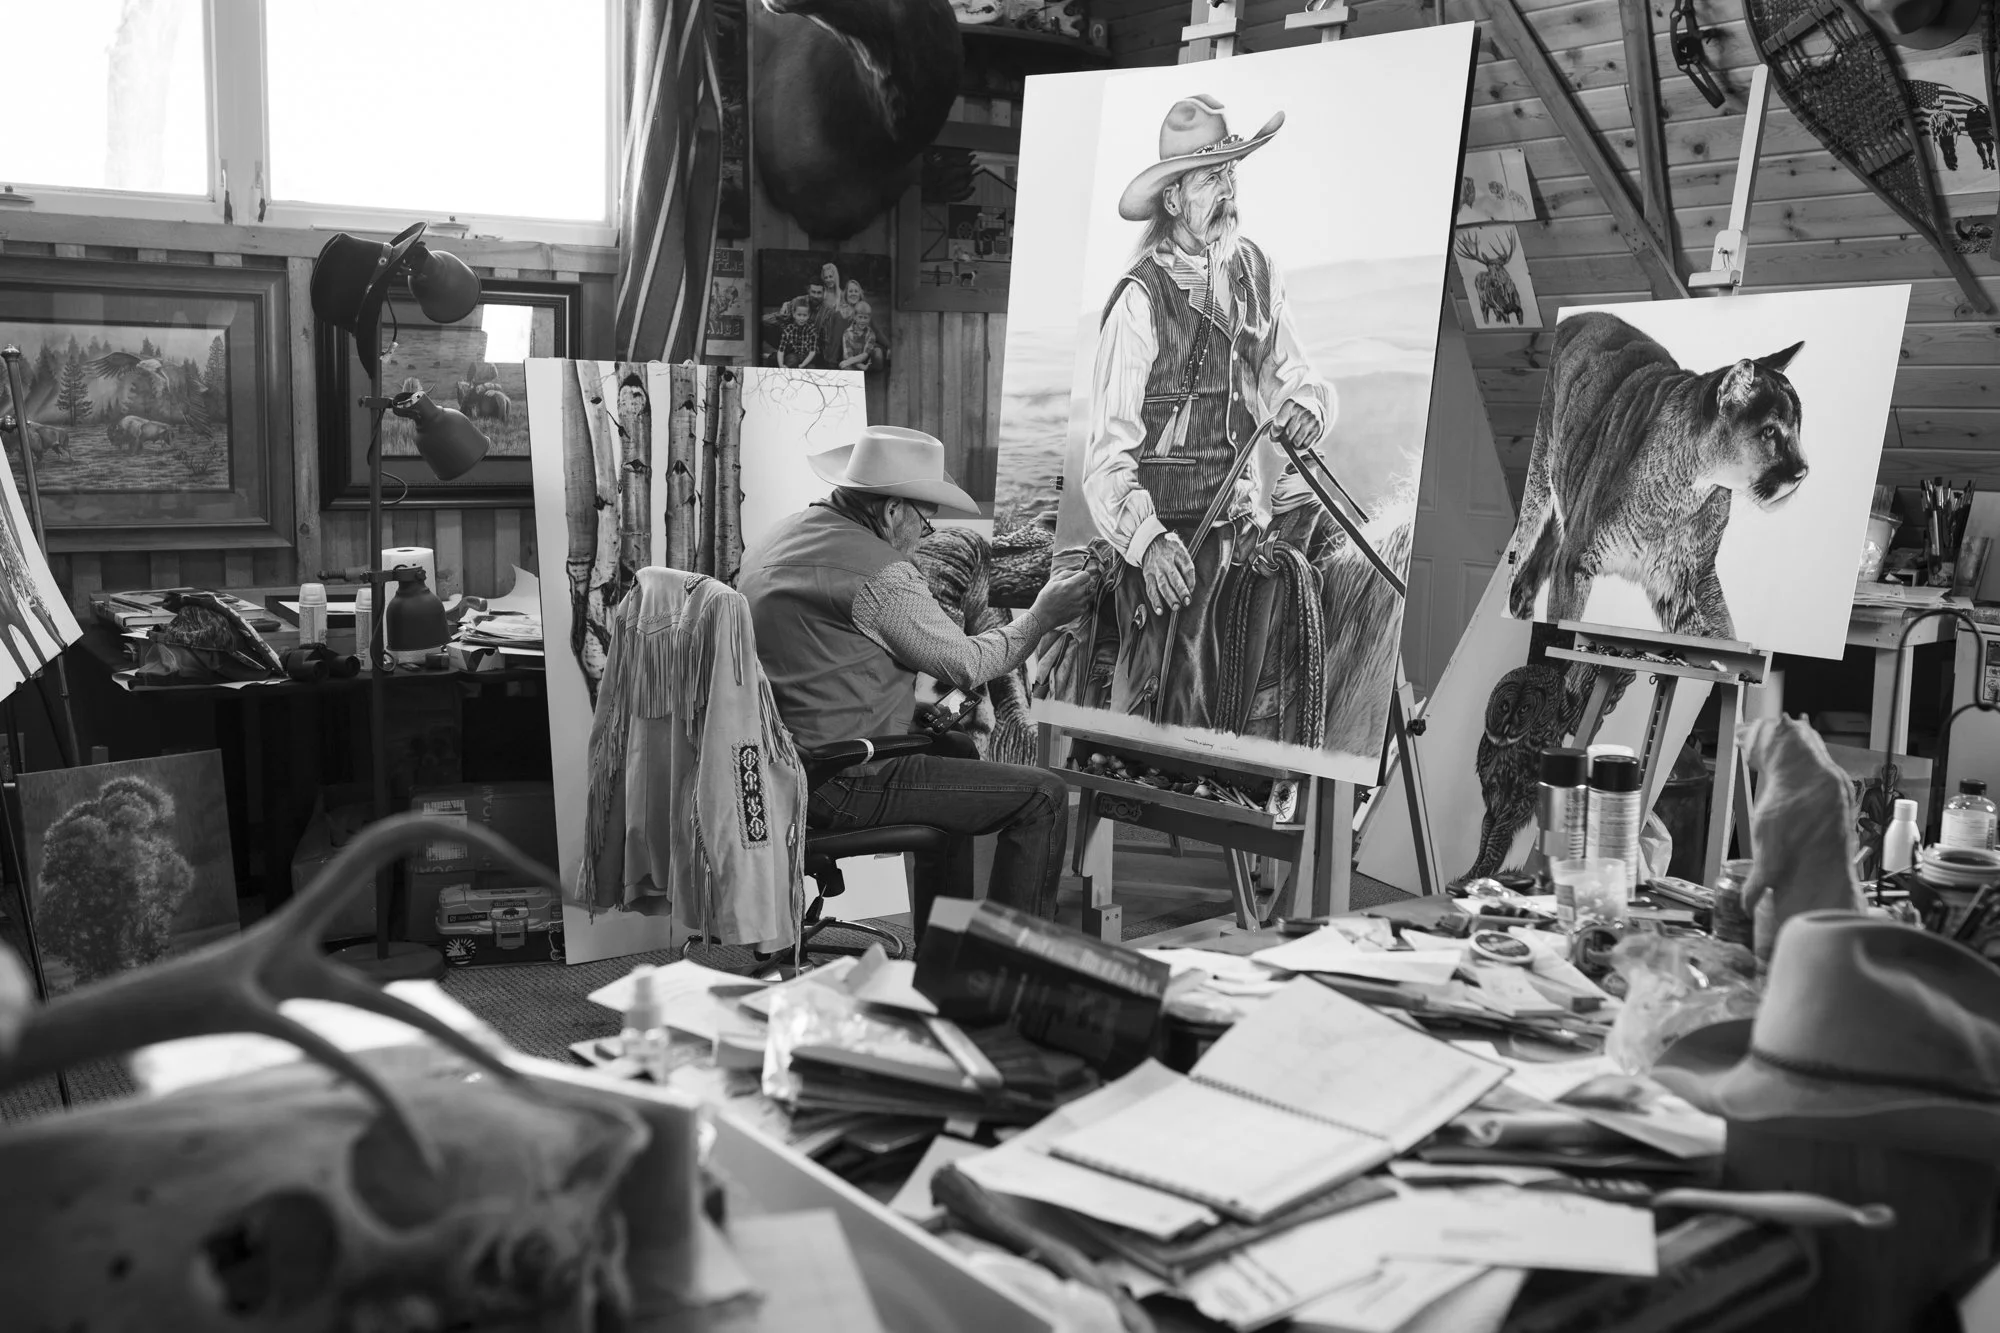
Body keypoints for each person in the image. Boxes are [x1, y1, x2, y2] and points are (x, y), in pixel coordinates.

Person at [738, 425, 1096, 930]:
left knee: (958, 748)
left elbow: (816, 656)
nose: (923, 537)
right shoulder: (876, 573)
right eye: (924, 523)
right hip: (838, 778)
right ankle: (1000, 972)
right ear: (891, 511)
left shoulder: (777, 537)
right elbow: (967, 664)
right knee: (1044, 797)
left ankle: (944, 950)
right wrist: (1041, 617)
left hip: (779, 762)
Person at [1078, 94, 1338, 735]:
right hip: (1175, 536)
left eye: (1230, 173)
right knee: (1188, 672)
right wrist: (1148, 542)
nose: (1227, 189)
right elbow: (1107, 456)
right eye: (1210, 177)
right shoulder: (1140, 300)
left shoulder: (1259, 273)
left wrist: (1306, 407)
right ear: (1172, 201)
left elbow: (1295, 375)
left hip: (1249, 518)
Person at [774, 298, 819, 368]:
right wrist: (781, 365)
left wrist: (802, 365)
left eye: (804, 315)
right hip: (794, 355)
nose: (801, 318)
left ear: (808, 316)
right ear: (794, 314)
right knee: (792, 360)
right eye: (799, 315)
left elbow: (812, 352)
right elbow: (781, 350)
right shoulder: (788, 330)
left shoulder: (811, 330)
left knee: (812, 367)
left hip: (806, 357)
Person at [839, 301, 879, 371]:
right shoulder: (847, 333)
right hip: (853, 363)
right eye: (860, 317)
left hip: (865, 363)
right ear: (854, 317)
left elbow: (865, 354)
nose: (862, 321)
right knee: (845, 367)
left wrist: (864, 366)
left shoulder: (871, 334)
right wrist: (861, 366)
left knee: (877, 353)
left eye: (865, 318)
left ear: (869, 319)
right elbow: (848, 356)